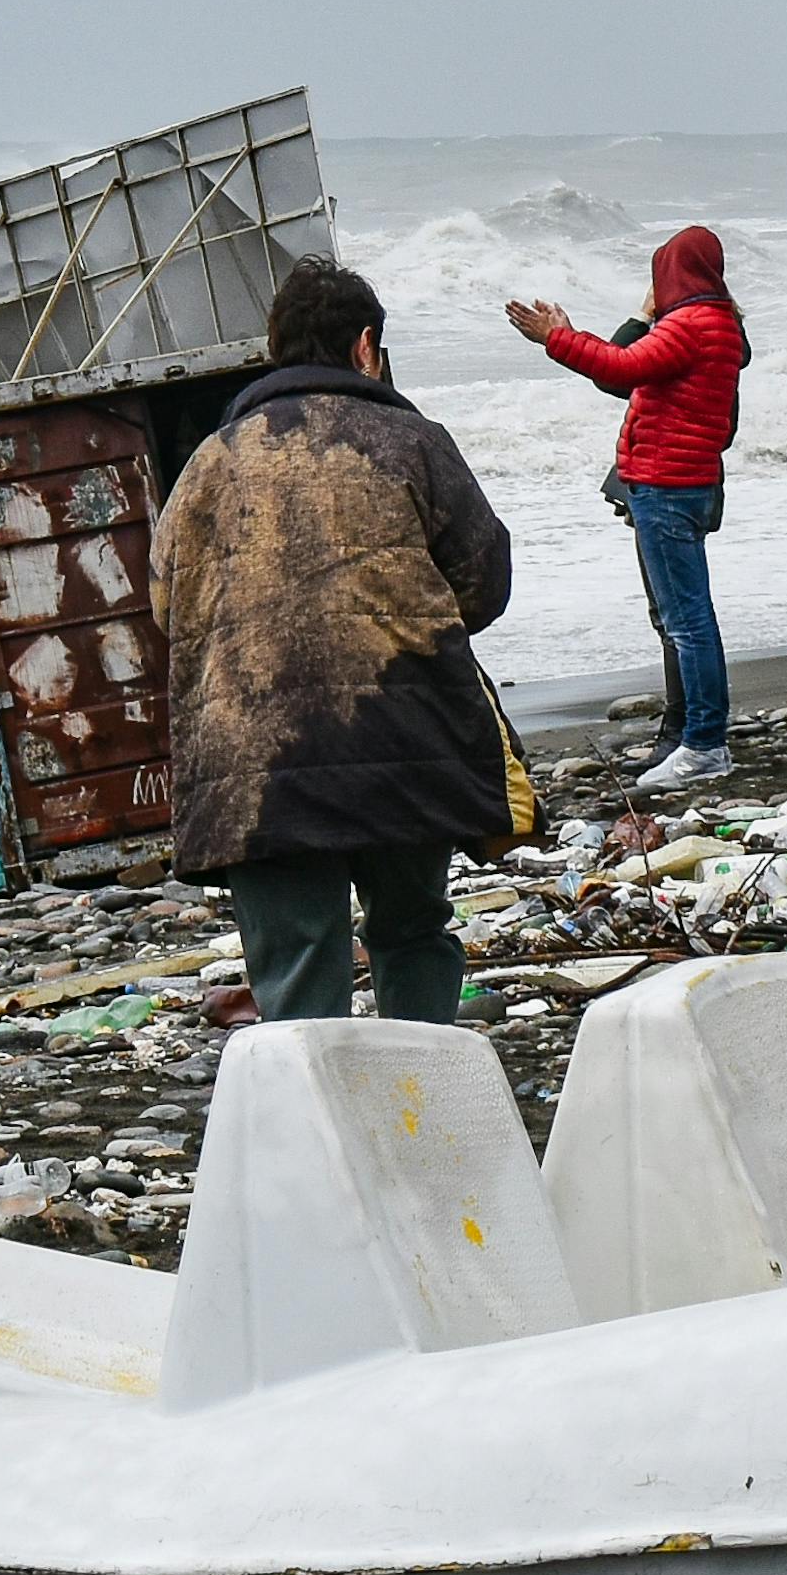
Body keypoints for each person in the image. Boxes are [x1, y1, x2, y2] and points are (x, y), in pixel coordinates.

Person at [159, 258, 526, 1024]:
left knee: (293, 964)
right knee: (413, 930)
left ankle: (318, 1128)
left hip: (254, 763)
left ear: (275, 350)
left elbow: (170, 608)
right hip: (401, 733)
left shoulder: (207, 464)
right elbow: (483, 582)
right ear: (367, 347)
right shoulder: (411, 441)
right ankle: (421, 1107)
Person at [504, 227, 748, 792]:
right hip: (687, 482)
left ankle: (703, 744)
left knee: (687, 623)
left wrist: (556, 338)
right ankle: (695, 738)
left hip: (666, 485)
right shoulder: (719, 324)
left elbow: (617, 368)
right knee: (688, 620)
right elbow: (630, 367)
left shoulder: (690, 325)